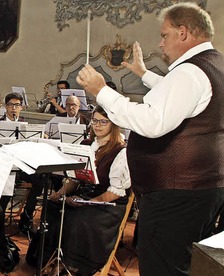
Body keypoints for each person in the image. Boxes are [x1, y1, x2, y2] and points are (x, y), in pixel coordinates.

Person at [76, 3, 224, 275]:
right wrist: (144, 74)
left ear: (183, 33)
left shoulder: (190, 72)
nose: (161, 42)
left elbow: (152, 122)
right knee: (181, 263)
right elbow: (183, 99)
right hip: (203, 190)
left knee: (163, 267)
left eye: (164, 35)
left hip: (177, 193)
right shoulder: (215, 65)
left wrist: (102, 91)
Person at [27, 106, 131, 275]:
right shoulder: (86, 144)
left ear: (114, 124)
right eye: (95, 120)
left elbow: (115, 192)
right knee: (53, 209)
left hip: (107, 204)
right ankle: (50, 258)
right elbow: (75, 179)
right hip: (84, 196)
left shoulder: (121, 151)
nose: (97, 125)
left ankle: (70, 266)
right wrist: (60, 193)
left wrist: (87, 203)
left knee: (77, 218)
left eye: (103, 122)